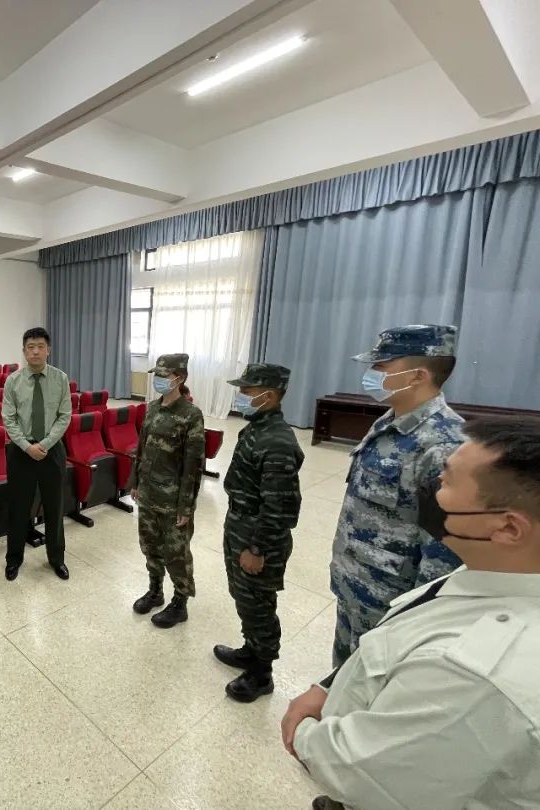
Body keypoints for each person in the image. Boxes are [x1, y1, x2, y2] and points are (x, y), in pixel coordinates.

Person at [283, 416, 540, 810]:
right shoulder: (496, 571)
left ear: (508, 528)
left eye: (446, 481)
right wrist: (330, 687)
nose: (430, 488)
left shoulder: (472, 674)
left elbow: (364, 772)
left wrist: (302, 732)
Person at [331, 324, 465, 666]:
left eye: (381, 366)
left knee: (372, 686)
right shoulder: (389, 422)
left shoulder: (444, 445)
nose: (372, 374)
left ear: (418, 375)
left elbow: (444, 554)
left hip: (391, 606)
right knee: (343, 676)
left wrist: (413, 621)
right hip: (356, 586)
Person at [214, 363, 304, 703]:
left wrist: (257, 548)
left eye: (248, 391)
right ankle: (250, 649)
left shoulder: (277, 441)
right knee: (245, 597)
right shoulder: (257, 427)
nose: (241, 396)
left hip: (258, 535)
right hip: (242, 524)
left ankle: (261, 672)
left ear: (271, 395)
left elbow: (280, 506)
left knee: (259, 604)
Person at [129, 353, 205, 627]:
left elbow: (193, 466)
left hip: (173, 500)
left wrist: (186, 506)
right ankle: (155, 591)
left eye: (163, 376)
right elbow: (141, 449)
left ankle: (180, 603)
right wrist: (135, 482)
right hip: (148, 494)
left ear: (179, 378)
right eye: (156, 376)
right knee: (150, 546)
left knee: (176, 553)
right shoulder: (152, 408)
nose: (158, 380)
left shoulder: (191, 415)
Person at [2, 327, 73, 581]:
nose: (35, 351)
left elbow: (64, 416)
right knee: (18, 508)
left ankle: (57, 559)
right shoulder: (13, 381)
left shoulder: (60, 379)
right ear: (24, 351)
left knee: (54, 507)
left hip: (52, 452)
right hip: (21, 452)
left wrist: (45, 444)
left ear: (48, 350)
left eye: (40, 346)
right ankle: (14, 559)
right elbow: (8, 419)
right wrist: (27, 446)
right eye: (30, 347)